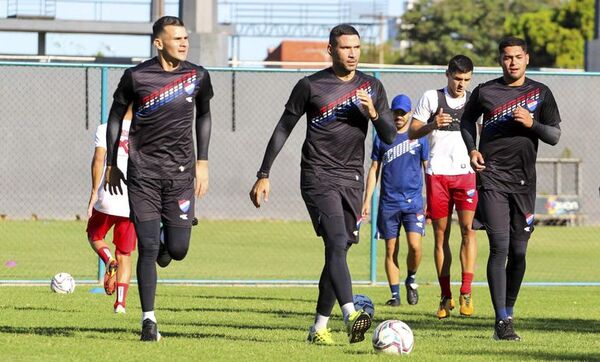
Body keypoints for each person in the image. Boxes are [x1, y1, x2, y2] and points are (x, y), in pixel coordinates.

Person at [249, 24, 396, 345]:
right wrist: (264, 173)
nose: (353, 53)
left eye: (356, 47)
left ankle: (318, 328)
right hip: (318, 176)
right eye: (345, 48)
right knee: (336, 240)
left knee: (338, 250)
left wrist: (373, 112)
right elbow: (282, 128)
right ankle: (350, 314)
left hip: (352, 180)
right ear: (331, 50)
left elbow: (389, 136)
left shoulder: (372, 86)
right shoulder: (310, 86)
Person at [104, 16, 214, 342]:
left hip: (181, 176)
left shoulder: (198, 76)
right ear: (158, 42)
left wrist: (203, 162)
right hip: (143, 175)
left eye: (186, 38)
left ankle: (171, 242)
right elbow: (113, 117)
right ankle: (148, 320)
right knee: (147, 247)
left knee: (177, 250)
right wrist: (113, 161)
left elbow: (204, 114)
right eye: (176, 38)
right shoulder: (136, 77)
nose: (184, 43)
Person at [461, 36, 561, 341]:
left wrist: (532, 124)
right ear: (500, 59)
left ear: (527, 58)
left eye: (518, 57)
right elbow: (466, 121)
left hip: (524, 184)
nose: (512, 62)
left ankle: (509, 309)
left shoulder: (540, 93)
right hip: (492, 179)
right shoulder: (485, 91)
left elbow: (554, 136)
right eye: (507, 57)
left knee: (518, 252)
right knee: (500, 248)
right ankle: (502, 321)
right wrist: (472, 150)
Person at [408, 55, 478, 319]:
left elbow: (485, 133)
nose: (461, 85)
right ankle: (445, 296)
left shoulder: (474, 101)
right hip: (437, 175)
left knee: (469, 231)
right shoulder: (431, 98)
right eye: (457, 79)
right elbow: (412, 132)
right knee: (441, 236)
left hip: (466, 175)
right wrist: (431, 125)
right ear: (447, 75)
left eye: (466, 80)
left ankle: (466, 292)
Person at [362, 94, 428, 307]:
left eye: (403, 112)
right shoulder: (382, 136)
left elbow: (428, 169)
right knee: (391, 249)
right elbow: (374, 170)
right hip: (389, 203)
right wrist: (366, 201)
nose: (399, 116)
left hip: (414, 202)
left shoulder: (419, 136)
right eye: (395, 112)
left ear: (410, 114)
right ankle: (395, 295)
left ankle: (411, 278)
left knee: (415, 247)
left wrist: (430, 200)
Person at [86, 104, 136, 314]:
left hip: (108, 193)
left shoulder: (105, 128)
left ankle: (108, 259)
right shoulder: (145, 131)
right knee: (125, 253)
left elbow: (99, 160)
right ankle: (120, 305)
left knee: (94, 235)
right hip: (133, 199)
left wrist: (93, 193)